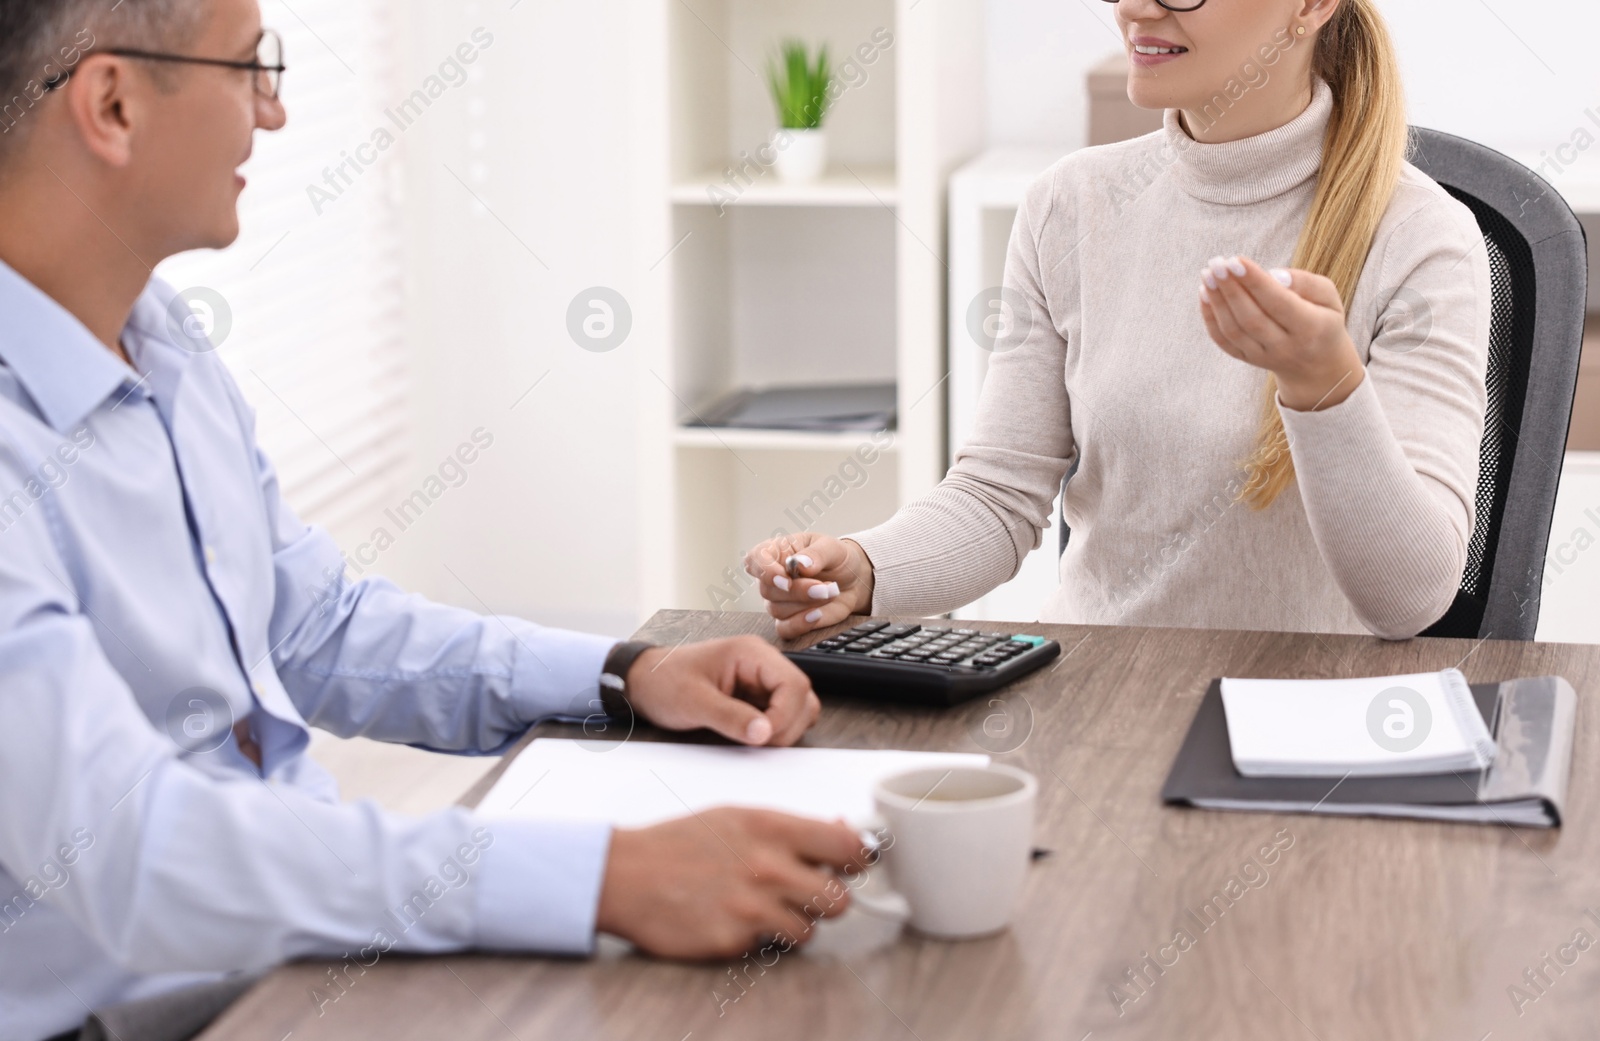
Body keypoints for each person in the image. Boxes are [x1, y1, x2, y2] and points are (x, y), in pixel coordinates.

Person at [0, 2, 865, 1038]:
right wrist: (606, 877)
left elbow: (312, 626)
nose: (272, 114)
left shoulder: (159, 339)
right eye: (248, 68)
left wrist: (626, 676)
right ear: (112, 103)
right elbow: (134, 851)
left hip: (300, 957)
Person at [748, 0, 1491, 642]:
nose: (1134, 8)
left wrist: (1323, 384)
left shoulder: (1423, 239)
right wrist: (869, 567)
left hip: (1302, 736)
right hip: (1096, 699)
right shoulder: (1070, 205)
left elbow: (1410, 600)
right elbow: (999, 497)